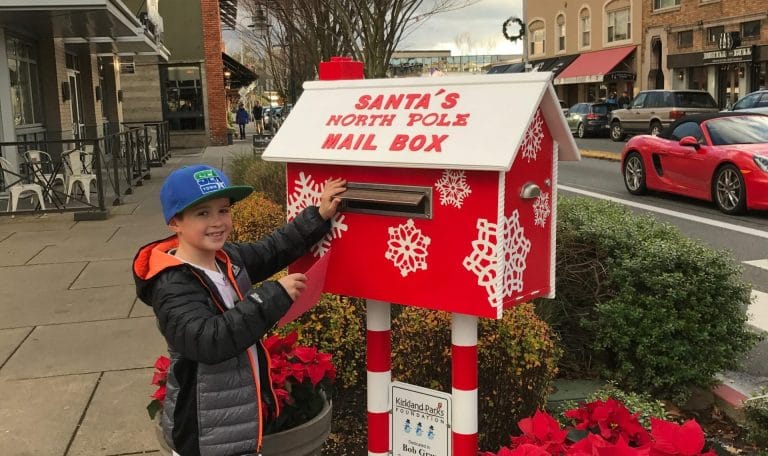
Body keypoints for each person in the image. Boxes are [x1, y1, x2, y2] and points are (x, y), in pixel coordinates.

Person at [132, 164, 346, 456]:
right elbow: (208, 340)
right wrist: (271, 297)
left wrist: (318, 215)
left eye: (223, 210)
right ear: (175, 222)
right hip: (204, 433)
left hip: (232, 422)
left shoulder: (225, 259)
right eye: (202, 213)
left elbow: (272, 249)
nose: (217, 222)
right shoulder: (172, 285)